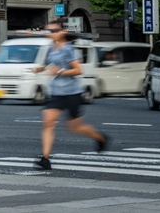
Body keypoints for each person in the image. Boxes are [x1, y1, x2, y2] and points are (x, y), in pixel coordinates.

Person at [32, 20, 109, 170]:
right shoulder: (51, 48)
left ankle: (101, 138)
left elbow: (79, 70)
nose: (50, 34)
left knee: (75, 127)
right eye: (49, 31)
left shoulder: (69, 49)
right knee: (48, 121)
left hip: (72, 92)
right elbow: (49, 65)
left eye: (53, 31)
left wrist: (60, 72)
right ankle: (45, 158)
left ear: (62, 32)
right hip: (56, 92)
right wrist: (38, 69)